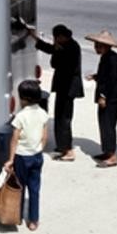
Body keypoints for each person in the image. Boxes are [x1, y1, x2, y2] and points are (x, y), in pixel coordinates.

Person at [27, 23, 83, 161]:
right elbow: (48, 48)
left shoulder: (71, 48)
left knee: (64, 119)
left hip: (68, 88)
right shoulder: (64, 45)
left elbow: (58, 63)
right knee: (59, 117)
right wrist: (33, 36)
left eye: (56, 38)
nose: (55, 40)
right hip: (63, 87)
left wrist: (58, 51)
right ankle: (62, 145)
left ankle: (68, 150)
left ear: (62, 37)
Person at [3, 80, 49, 231]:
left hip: (22, 157)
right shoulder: (43, 113)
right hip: (37, 156)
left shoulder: (20, 116)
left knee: (19, 187)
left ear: (24, 99)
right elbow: (45, 135)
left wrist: (10, 160)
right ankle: (34, 220)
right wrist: (39, 148)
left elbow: (14, 140)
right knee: (34, 189)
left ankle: (17, 215)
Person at [84, 29, 117, 167]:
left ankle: (112, 155)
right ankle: (107, 151)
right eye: (96, 45)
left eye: (99, 46)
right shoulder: (107, 57)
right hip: (109, 96)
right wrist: (95, 76)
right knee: (104, 124)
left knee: (108, 125)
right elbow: (105, 76)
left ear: (107, 46)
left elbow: (112, 80)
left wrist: (103, 96)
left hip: (111, 98)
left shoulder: (112, 59)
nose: (96, 48)